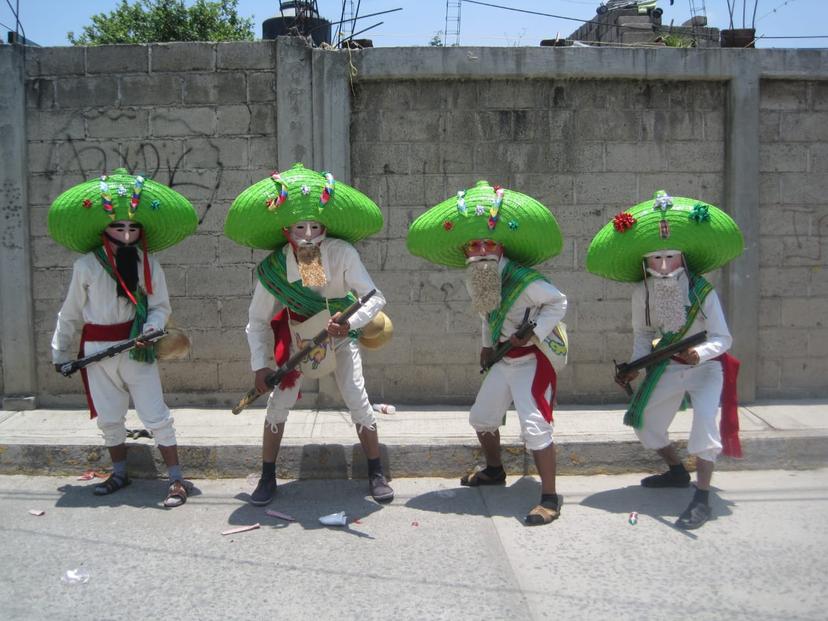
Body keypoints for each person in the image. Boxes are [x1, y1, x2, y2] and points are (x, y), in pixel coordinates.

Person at [225, 163, 394, 505]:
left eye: (315, 226)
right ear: (286, 229)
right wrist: (261, 365)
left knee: (356, 397)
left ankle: (376, 471)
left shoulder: (343, 253)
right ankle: (267, 476)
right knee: (279, 404)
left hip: (341, 335)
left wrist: (349, 323)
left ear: (325, 226)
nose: (307, 235)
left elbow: (374, 296)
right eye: (299, 227)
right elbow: (257, 320)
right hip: (298, 337)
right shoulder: (274, 267)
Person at [407, 180, 569, 525]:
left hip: (532, 361)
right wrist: (485, 345)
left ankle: (550, 498)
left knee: (535, 428)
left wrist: (533, 334)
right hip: (502, 358)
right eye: (474, 245)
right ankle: (494, 471)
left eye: (488, 244)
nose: (481, 251)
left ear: (501, 247)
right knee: (482, 418)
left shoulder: (526, 279)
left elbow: (558, 302)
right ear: (466, 251)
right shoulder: (476, 277)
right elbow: (487, 313)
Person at [586, 190, 744, 530]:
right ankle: (675, 471)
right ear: (645, 264)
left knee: (704, 426)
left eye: (669, 258)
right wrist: (633, 367)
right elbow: (643, 336)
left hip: (706, 370)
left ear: (682, 260)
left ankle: (701, 498)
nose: (662, 266)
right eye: (655, 260)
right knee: (645, 424)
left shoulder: (703, 291)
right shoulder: (641, 293)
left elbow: (723, 338)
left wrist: (698, 353)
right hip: (668, 366)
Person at [49, 168, 198, 507]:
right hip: (96, 350)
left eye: (133, 227)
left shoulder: (149, 264)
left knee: (155, 413)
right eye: (119, 226)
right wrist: (60, 353)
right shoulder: (86, 266)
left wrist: (150, 330)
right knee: (109, 416)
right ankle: (119, 472)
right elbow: (70, 313)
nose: (127, 232)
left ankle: (176, 479)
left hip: (137, 349)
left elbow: (160, 306)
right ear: (104, 227)